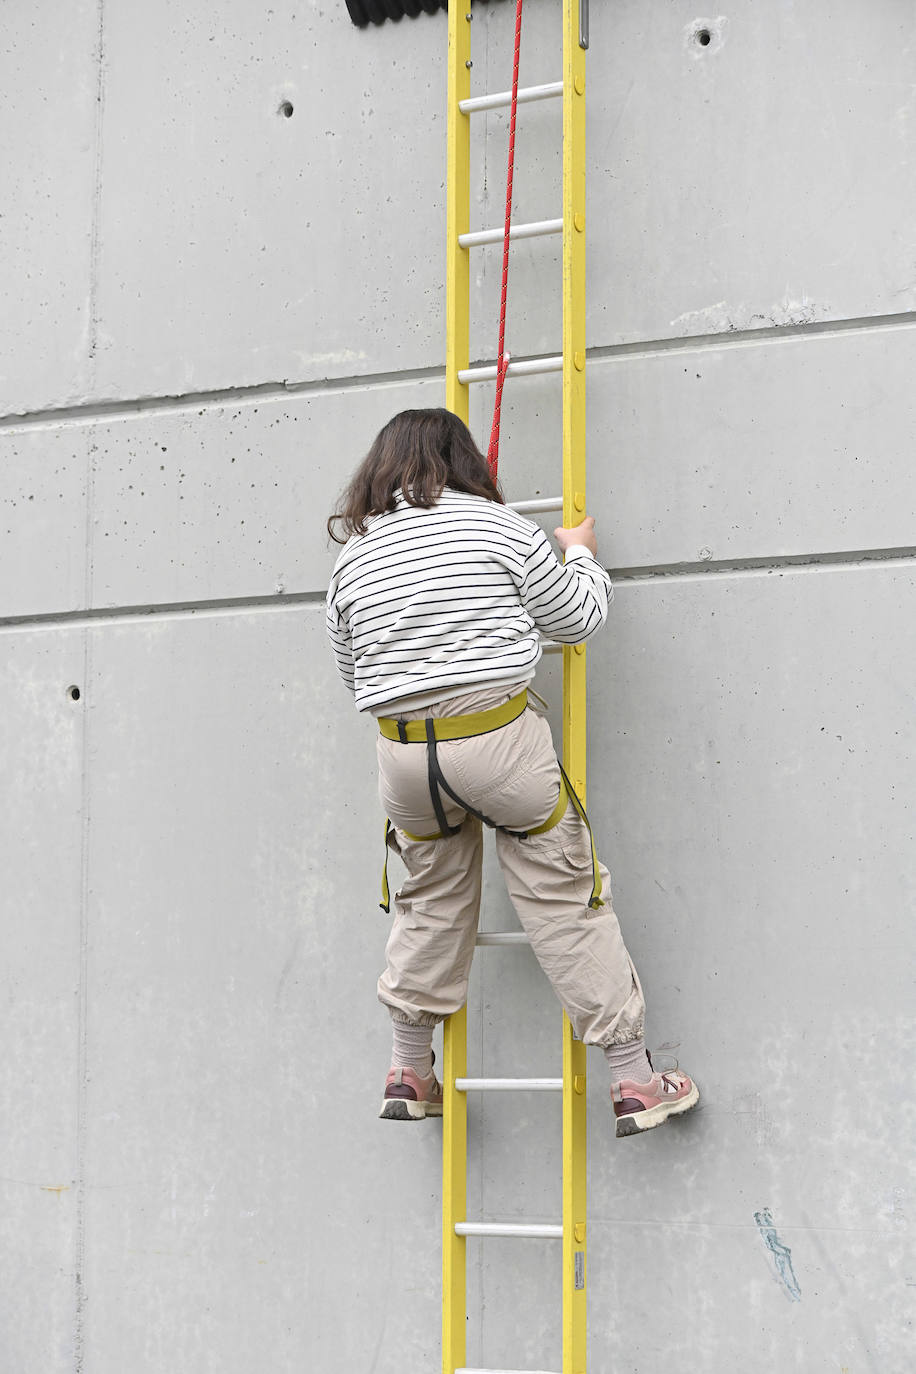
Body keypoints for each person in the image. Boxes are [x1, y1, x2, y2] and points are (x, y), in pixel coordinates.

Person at [325, 407, 698, 1137]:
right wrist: (580, 553)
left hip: (404, 760)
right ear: (465, 459)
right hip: (495, 742)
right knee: (563, 895)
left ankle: (409, 1068)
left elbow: (351, 667)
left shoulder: (355, 555)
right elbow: (578, 619)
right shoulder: (496, 528)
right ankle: (634, 1081)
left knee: (428, 900)